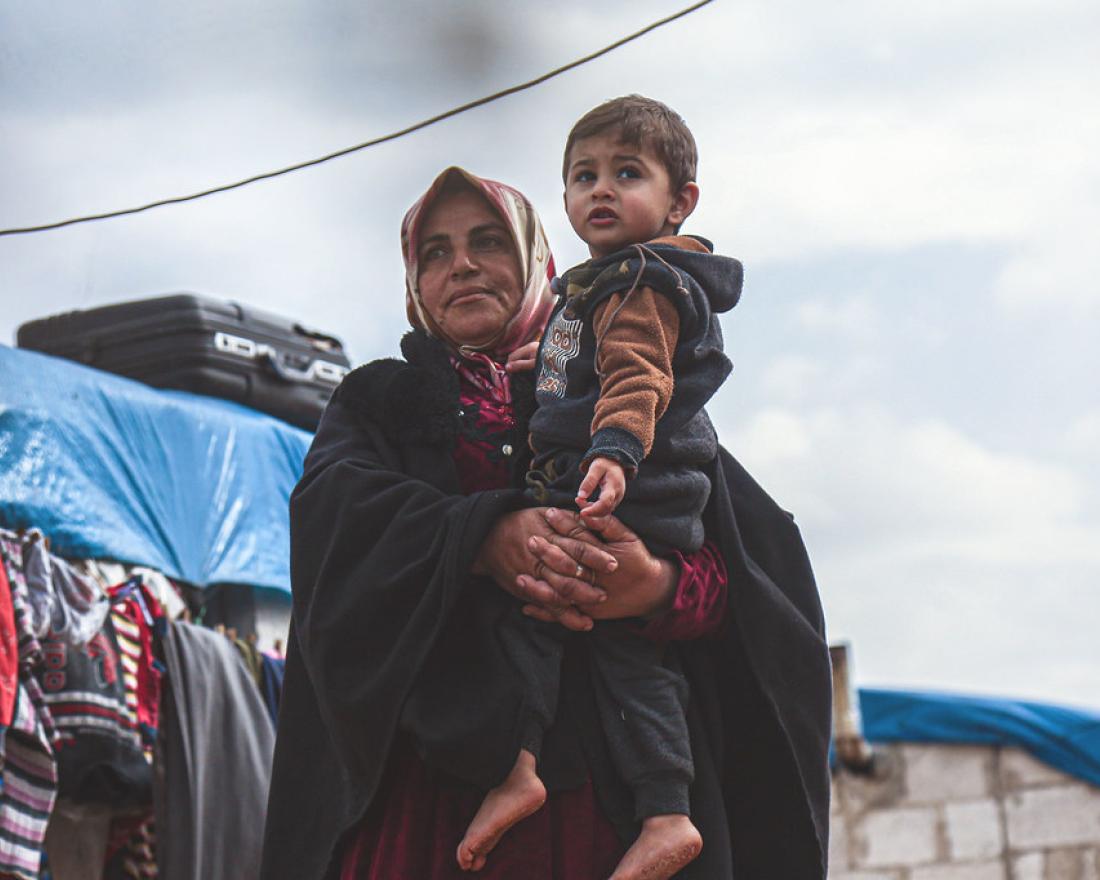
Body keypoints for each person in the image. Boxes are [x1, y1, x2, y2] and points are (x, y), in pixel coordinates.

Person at [259, 167, 832, 880]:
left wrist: (653, 585)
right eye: (434, 251)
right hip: (434, 813)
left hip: (613, 813)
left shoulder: (613, 388)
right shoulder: (381, 404)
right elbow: (338, 545)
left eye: (488, 242)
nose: (461, 264)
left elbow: (748, 568)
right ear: (413, 282)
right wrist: (484, 537)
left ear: (538, 262)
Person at [458, 96, 742, 878]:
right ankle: (665, 810)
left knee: (537, 616)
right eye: (583, 177)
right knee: (626, 657)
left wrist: (613, 453)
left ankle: (518, 768)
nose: (601, 191)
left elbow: (635, 375)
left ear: (681, 201)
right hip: (644, 491)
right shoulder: (595, 292)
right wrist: (538, 373)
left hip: (621, 487)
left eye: (627, 173)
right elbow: (578, 367)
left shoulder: (641, 281)